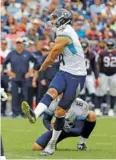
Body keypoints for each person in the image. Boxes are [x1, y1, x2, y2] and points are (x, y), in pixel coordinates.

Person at [22, 8, 86, 155]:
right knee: (51, 91)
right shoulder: (61, 30)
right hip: (64, 71)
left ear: (62, 19)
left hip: (77, 76)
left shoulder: (66, 33)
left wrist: (43, 66)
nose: (52, 20)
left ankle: (51, 145)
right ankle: (35, 114)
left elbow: (53, 54)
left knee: (60, 112)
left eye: (55, 18)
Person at [32, 98, 96, 152]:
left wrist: (65, 128)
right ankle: (54, 142)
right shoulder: (54, 102)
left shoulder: (80, 104)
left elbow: (78, 130)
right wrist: (50, 127)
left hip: (71, 128)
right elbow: (46, 119)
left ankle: (81, 144)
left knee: (92, 114)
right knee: (36, 147)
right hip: (58, 128)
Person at [3, 37, 38, 117]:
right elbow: (4, 63)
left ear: (23, 44)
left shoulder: (27, 53)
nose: (19, 45)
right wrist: (9, 72)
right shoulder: (11, 54)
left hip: (25, 78)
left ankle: (24, 113)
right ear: (16, 44)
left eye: (20, 43)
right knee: (14, 95)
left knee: (25, 95)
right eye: (17, 43)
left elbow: (36, 63)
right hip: (14, 78)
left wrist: (30, 72)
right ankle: (15, 112)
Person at [96, 40, 116, 116]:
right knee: (101, 91)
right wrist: (98, 75)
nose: (110, 47)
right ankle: (99, 109)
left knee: (113, 92)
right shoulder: (102, 53)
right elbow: (98, 64)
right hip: (104, 74)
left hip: (114, 74)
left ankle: (111, 109)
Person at [80, 40, 99, 110]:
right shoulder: (77, 54)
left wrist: (97, 77)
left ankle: (93, 105)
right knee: (82, 92)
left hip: (89, 75)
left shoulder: (91, 54)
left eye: (85, 47)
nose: (84, 48)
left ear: (87, 47)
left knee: (92, 91)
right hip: (80, 75)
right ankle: (83, 107)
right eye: (82, 47)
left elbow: (94, 66)